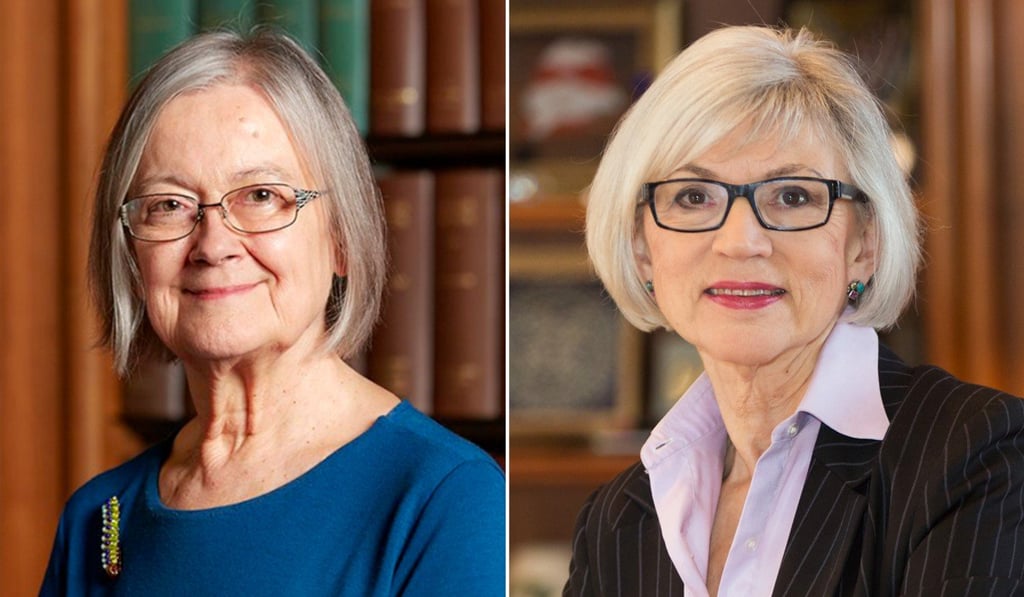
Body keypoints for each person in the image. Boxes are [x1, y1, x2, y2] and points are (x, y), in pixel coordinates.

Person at [41, 30, 504, 596]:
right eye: (169, 205)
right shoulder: (99, 518)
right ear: (132, 256)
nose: (214, 245)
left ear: (341, 236)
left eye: (261, 196)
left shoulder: (446, 499)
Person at [566, 25, 1024, 596]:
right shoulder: (614, 522)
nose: (740, 242)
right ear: (642, 247)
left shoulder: (981, 453)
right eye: (693, 196)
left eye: (792, 196)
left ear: (864, 244)